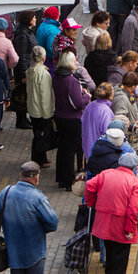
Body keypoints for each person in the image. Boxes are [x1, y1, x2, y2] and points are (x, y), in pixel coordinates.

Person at [0, 162, 59, 274]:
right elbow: (53, 223)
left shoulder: (6, 192)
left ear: (21, 175)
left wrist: (9, 224)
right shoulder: (37, 198)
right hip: (35, 253)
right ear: (36, 177)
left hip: (14, 254)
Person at [85, 152, 138, 274]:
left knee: (110, 255)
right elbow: (133, 209)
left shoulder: (105, 174)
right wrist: (130, 229)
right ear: (134, 167)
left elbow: (89, 185)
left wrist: (92, 203)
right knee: (120, 261)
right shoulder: (135, 183)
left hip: (104, 223)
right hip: (121, 226)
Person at [53, 51, 92, 189]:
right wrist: (86, 96)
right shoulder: (72, 81)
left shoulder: (56, 77)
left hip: (59, 115)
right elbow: (78, 103)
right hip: (72, 119)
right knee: (70, 150)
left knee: (62, 148)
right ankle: (69, 181)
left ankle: (61, 178)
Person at [26, 46, 54, 168]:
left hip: (32, 108)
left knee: (37, 134)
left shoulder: (30, 71)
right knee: (40, 136)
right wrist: (48, 113)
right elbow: (46, 95)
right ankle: (38, 159)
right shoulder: (43, 73)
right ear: (43, 57)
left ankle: (41, 158)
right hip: (41, 110)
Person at [11, 10, 39, 129]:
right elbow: (21, 55)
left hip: (28, 67)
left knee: (25, 94)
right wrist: (24, 74)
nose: (36, 19)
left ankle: (23, 118)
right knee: (22, 94)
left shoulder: (27, 32)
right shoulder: (22, 35)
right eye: (34, 17)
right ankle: (21, 119)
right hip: (24, 69)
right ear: (28, 19)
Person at [111, 72, 138, 151]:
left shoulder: (126, 93)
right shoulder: (122, 98)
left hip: (131, 140)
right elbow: (119, 120)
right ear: (133, 86)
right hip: (128, 142)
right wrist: (132, 126)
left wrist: (137, 104)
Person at [81, 82, 116, 162]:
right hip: (100, 153)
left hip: (87, 148)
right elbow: (107, 133)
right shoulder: (106, 111)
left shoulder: (89, 106)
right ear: (110, 96)